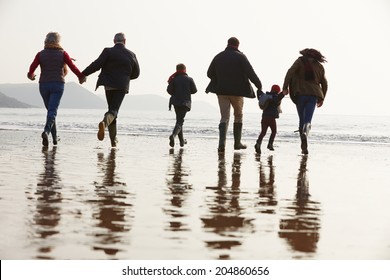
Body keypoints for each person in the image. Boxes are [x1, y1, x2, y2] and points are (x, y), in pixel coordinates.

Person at [27, 32, 86, 147]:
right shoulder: (63, 54)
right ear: (57, 42)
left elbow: (32, 68)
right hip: (57, 85)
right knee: (52, 112)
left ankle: (54, 140)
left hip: (43, 85)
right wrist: (81, 76)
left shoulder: (40, 54)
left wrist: (31, 75)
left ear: (46, 41)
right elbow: (73, 67)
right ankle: (46, 131)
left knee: (51, 111)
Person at [81, 32, 140, 147]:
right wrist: (126, 77)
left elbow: (96, 64)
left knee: (112, 110)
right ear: (125, 41)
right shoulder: (131, 54)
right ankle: (104, 123)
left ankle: (113, 141)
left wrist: (83, 74)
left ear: (114, 41)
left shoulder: (108, 51)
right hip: (122, 85)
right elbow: (136, 73)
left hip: (108, 84)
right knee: (114, 111)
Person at [206, 37, 263, 152]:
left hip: (221, 91)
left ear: (227, 44)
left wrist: (220, 79)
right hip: (237, 92)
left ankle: (221, 144)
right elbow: (250, 72)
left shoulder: (218, 56)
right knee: (238, 115)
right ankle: (237, 143)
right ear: (238, 45)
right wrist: (259, 85)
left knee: (224, 117)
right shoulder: (241, 57)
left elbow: (209, 73)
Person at [282, 48, 328, 154]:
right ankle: (305, 130)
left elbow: (290, 72)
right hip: (313, 95)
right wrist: (322, 97)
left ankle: (303, 142)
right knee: (308, 120)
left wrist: (285, 87)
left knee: (301, 119)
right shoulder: (320, 66)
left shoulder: (299, 61)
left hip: (300, 94)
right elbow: (324, 83)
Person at [167, 63, 197, 147]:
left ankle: (181, 142)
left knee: (179, 121)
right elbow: (194, 90)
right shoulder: (189, 79)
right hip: (185, 103)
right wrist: (187, 91)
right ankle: (173, 136)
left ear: (177, 70)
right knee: (180, 121)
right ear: (185, 70)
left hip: (176, 103)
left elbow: (169, 91)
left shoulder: (173, 79)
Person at [255, 85, 287, 154]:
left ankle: (258, 143)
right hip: (271, 118)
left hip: (264, 117)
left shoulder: (265, 96)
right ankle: (270, 144)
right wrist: (283, 93)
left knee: (263, 132)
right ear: (277, 91)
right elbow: (278, 98)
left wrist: (258, 89)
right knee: (274, 131)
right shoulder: (274, 97)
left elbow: (259, 96)